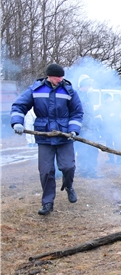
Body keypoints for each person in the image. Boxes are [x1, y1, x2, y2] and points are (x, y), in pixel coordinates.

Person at [10, 63, 83, 215]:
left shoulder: (68, 90)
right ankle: (48, 203)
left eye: (62, 77)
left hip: (64, 136)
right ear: (49, 76)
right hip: (44, 137)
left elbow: (77, 112)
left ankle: (68, 185)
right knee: (46, 171)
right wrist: (17, 122)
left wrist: (74, 130)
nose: (60, 80)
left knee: (68, 167)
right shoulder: (35, 90)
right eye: (57, 77)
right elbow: (19, 106)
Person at [76, 75, 100, 178]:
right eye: (87, 85)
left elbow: (90, 114)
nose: (89, 87)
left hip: (91, 129)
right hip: (82, 130)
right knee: (82, 151)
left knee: (93, 150)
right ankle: (84, 171)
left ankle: (91, 170)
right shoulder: (77, 96)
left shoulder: (87, 96)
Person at [97, 93, 121, 164]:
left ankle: (119, 160)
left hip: (116, 128)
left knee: (117, 144)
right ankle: (111, 159)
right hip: (107, 129)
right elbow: (95, 113)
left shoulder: (116, 105)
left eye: (108, 99)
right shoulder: (102, 106)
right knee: (109, 144)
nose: (107, 101)